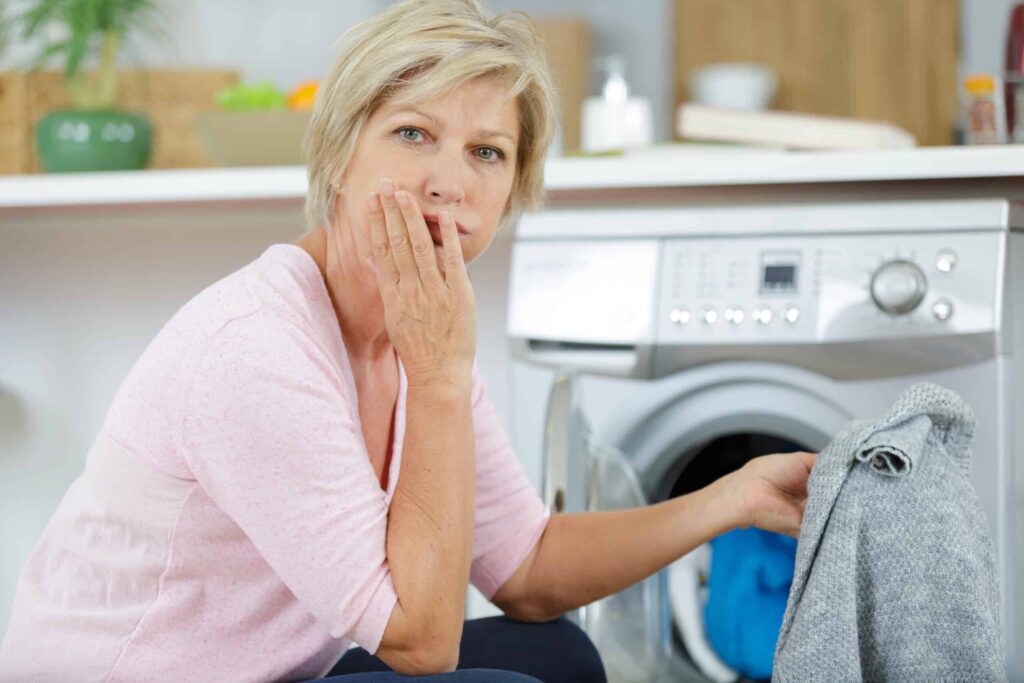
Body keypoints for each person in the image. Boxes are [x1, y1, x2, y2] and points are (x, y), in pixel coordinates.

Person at [0, 1, 818, 681]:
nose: (447, 182)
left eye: (486, 153)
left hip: (268, 671)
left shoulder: (416, 332)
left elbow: (526, 568)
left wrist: (733, 496)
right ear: (339, 150)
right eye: (413, 134)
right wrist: (438, 376)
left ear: (510, 192)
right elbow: (423, 643)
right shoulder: (256, 348)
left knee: (557, 652)